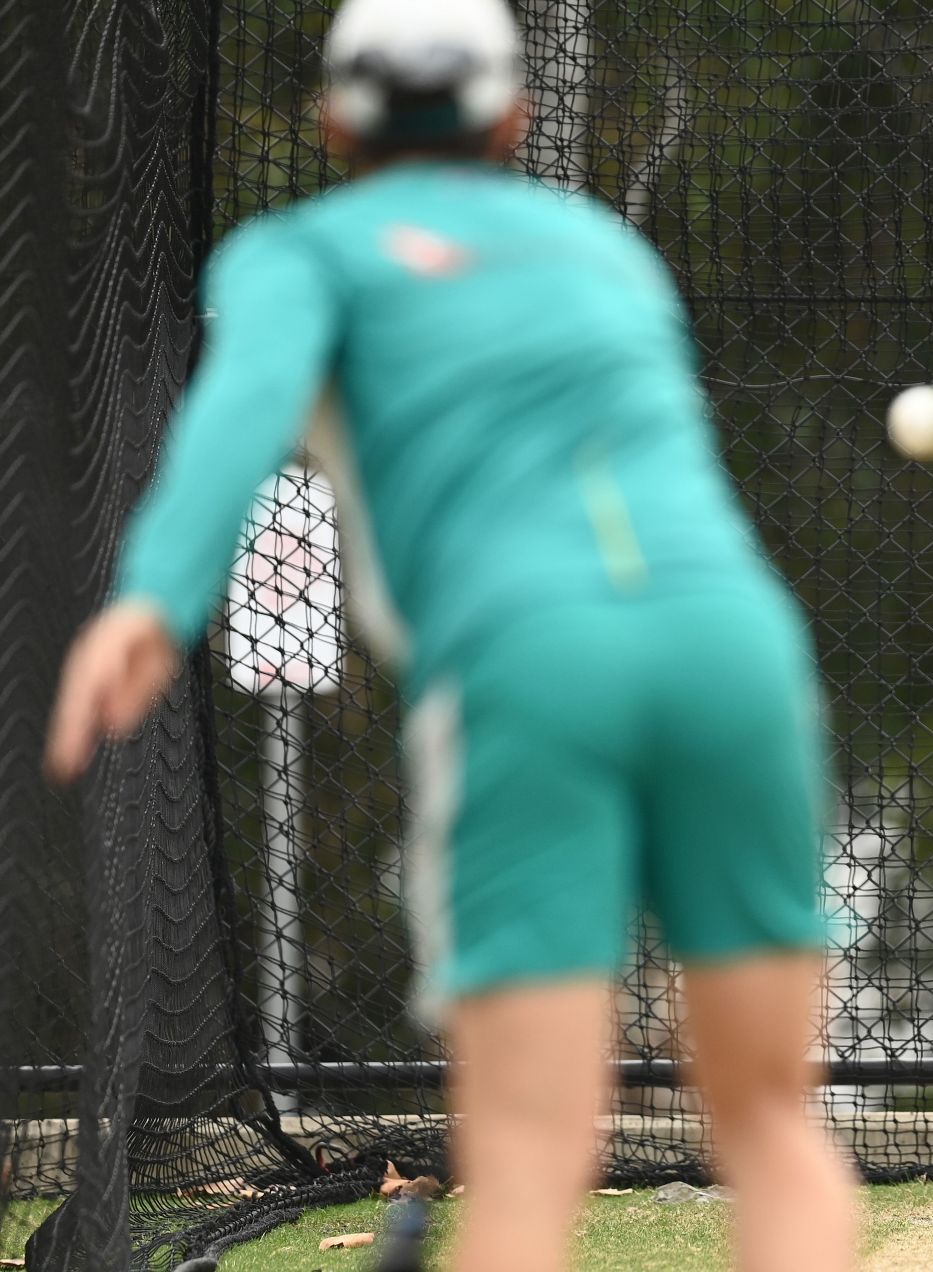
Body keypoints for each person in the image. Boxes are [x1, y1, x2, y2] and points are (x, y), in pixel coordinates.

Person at [41, 1, 857, 1267]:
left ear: (330, 123)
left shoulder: (299, 255)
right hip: (736, 651)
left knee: (530, 1157)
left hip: (528, 665)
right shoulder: (601, 250)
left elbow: (238, 422)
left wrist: (152, 602)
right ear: (514, 116)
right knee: (768, 1121)